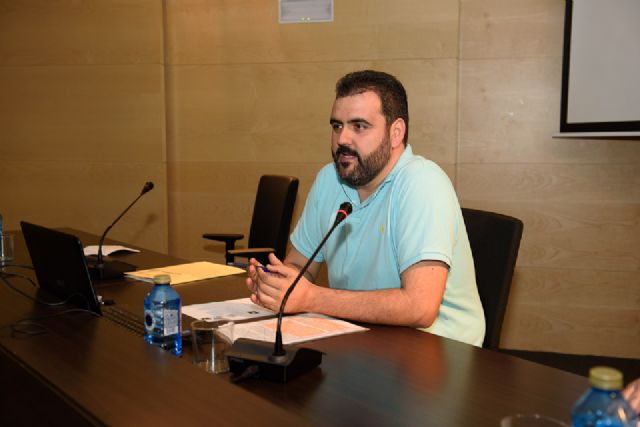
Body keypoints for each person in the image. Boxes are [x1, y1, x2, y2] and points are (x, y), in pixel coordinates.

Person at [246, 70, 485, 346]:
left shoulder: (422, 183)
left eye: (359, 126)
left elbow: (420, 307)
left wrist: (311, 297)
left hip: (441, 355)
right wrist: (276, 284)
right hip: (362, 339)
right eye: (337, 126)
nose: (342, 139)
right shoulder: (330, 179)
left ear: (396, 133)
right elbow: (300, 265)